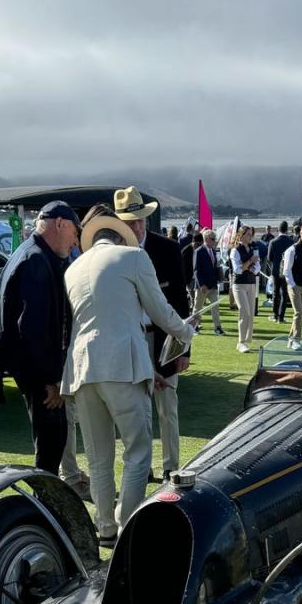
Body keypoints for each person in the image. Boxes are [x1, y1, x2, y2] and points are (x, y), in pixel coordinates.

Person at [61, 207, 195, 546]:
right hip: (122, 367)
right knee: (137, 452)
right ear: (123, 235)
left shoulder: (74, 268)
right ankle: (128, 525)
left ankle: (105, 525)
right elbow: (160, 310)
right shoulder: (134, 257)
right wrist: (186, 331)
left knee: (98, 456)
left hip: (82, 368)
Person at [0, 199, 79, 478]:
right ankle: (45, 508)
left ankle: (46, 505)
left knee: (53, 441)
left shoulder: (31, 253)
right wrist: (51, 381)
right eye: (75, 231)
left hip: (32, 370)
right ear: (59, 224)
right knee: (50, 446)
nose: (76, 240)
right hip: (39, 376)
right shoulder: (36, 260)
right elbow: (33, 329)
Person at [112, 187, 192, 481]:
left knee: (167, 407)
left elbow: (182, 303)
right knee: (134, 409)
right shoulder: (113, 254)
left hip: (165, 339)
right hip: (128, 341)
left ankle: (171, 466)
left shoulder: (168, 249)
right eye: (130, 221)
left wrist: (184, 350)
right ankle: (140, 467)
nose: (136, 226)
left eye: (140, 219)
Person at [229, 224, 260, 352]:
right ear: (241, 236)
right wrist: (250, 262)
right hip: (239, 284)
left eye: (251, 234)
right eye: (248, 234)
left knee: (250, 313)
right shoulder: (235, 250)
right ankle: (241, 342)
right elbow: (238, 270)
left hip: (251, 283)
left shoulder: (254, 248)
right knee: (244, 311)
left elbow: (257, 267)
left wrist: (250, 265)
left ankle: (246, 341)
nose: (250, 236)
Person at [193, 229, 223, 333]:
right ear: (206, 239)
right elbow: (196, 270)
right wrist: (201, 284)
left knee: (215, 307)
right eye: (213, 239)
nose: (215, 241)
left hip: (213, 285)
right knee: (198, 308)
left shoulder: (214, 252)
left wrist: (219, 279)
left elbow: (215, 267)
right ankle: (194, 327)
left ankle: (218, 328)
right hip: (203, 286)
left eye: (215, 239)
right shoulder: (199, 251)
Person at [267, 221, 293, 324]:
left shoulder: (273, 242)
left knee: (275, 293)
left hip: (276, 270)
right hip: (286, 270)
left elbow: (269, 258)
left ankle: (275, 315)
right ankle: (281, 317)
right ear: (287, 229)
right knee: (284, 294)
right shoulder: (291, 242)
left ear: (278, 229)